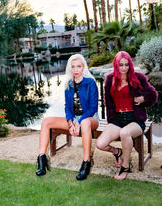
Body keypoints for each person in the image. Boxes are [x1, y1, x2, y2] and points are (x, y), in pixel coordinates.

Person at [36, 53, 99, 180]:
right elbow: (67, 108)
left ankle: (86, 163)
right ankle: (42, 159)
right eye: (73, 67)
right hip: (74, 119)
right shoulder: (68, 85)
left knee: (85, 123)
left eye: (79, 66)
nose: (75, 70)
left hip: (90, 118)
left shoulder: (90, 83)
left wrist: (79, 122)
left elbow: (93, 108)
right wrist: (70, 123)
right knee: (46, 122)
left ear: (83, 67)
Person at [96, 51, 158, 180]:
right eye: (121, 65)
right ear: (116, 65)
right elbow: (107, 102)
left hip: (135, 119)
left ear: (130, 65)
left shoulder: (138, 78)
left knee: (125, 133)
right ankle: (118, 152)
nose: (124, 68)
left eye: (126, 65)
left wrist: (142, 98)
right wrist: (111, 121)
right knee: (100, 144)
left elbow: (153, 95)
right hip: (117, 119)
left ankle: (125, 166)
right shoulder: (109, 79)